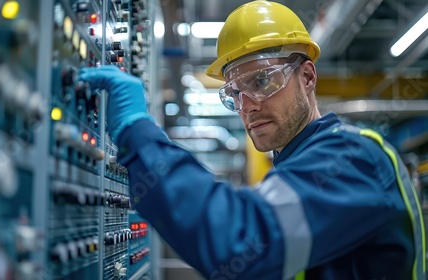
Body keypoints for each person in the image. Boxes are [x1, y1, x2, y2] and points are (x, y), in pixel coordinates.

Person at [79, 1, 425, 279]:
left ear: (307, 76)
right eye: (235, 93)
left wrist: (138, 132)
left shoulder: (351, 158)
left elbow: (241, 242)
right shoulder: (296, 164)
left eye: (261, 82)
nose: (248, 107)